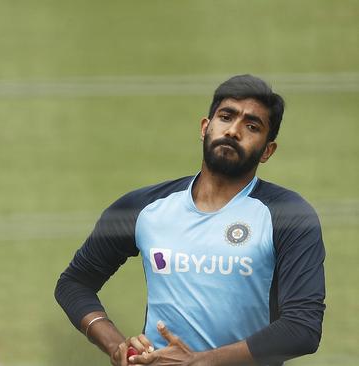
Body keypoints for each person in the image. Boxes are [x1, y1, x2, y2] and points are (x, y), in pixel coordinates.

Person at [55, 75, 325, 366]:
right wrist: (115, 345)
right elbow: (74, 284)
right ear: (205, 128)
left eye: (252, 126)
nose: (234, 131)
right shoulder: (145, 208)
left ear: (267, 151)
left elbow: (302, 328)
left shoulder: (288, 216)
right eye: (226, 116)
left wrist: (200, 362)